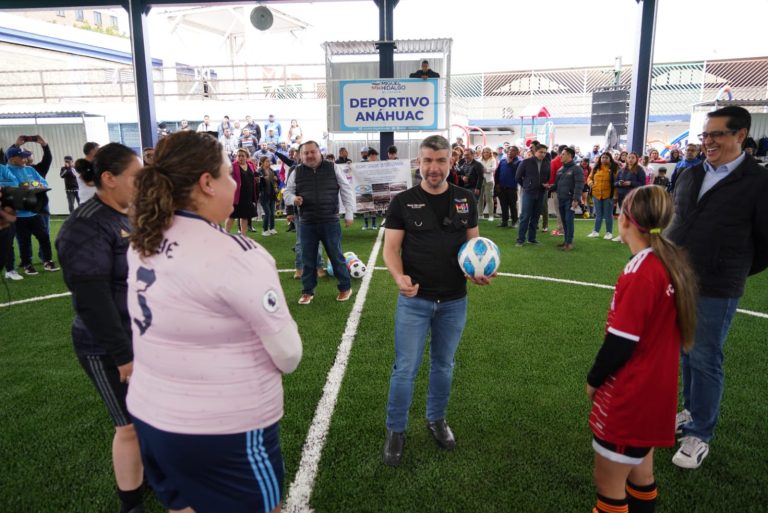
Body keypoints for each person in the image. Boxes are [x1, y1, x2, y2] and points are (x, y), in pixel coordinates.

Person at [126, 130, 302, 513]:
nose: (234, 181)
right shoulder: (237, 254)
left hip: (149, 414)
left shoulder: (143, 239)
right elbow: (289, 355)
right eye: (227, 174)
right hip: (224, 429)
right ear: (206, 183)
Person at [381, 134, 492, 467]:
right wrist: (399, 277)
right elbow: (391, 249)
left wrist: (477, 271)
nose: (434, 167)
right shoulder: (402, 201)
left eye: (441, 160)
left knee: (444, 365)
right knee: (406, 369)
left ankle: (436, 419)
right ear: (419, 163)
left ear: (450, 162)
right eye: (428, 160)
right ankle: (395, 431)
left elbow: (474, 247)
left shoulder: (465, 200)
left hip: (454, 300)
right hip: (415, 301)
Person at [667, 106, 768, 469]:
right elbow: (678, 221)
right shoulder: (690, 174)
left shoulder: (758, 182)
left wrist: (731, 268)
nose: (707, 141)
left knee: (706, 356)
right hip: (679, 278)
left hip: (718, 285)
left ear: (740, 135)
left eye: (717, 135)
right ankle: (690, 411)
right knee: (686, 351)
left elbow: (764, 243)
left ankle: (700, 433)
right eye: (705, 135)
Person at [587, 185, 697, 513]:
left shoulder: (641, 272)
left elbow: (621, 342)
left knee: (609, 487)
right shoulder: (670, 261)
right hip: (656, 393)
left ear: (624, 219)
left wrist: (594, 380)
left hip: (630, 395)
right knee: (640, 475)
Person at [54, 143, 146, 513]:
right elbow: (91, 299)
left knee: (146, 418)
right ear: (108, 179)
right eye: (135, 178)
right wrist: (122, 355)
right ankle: (131, 504)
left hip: (136, 336)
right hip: (105, 344)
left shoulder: (123, 215)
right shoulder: (85, 225)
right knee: (127, 426)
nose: (142, 185)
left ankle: (147, 478)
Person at [283, 141, 355, 305]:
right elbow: (287, 192)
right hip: (307, 222)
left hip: (330, 221)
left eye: (312, 152)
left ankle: (345, 287)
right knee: (308, 259)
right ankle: (308, 291)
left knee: (336, 257)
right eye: (305, 153)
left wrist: (349, 213)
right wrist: (293, 199)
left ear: (319, 152)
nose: (309, 155)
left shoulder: (333, 167)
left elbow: (346, 189)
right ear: (301, 155)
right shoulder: (296, 171)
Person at [0, 146, 59, 275]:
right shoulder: (6, 170)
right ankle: (27, 264)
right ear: (12, 158)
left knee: (44, 237)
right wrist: (23, 186)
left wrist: (31, 185)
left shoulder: (30, 169)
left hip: (34, 212)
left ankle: (48, 261)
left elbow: (43, 183)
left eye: (26, 156)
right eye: (22, 156)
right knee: (24, 241)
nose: (25, 159)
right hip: (18, 215)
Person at [515, 143, 551, 246]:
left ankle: (532, 238)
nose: (543, 154)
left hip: (541, 192)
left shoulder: (547, 163)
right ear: (535, 151)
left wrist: (545, 184)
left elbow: (547, 177)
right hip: (528, 193)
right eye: (541, 152)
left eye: (545, 152)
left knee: (535, 216)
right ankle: (520, 240)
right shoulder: (526, 162)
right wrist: (526, 186)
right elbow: (517, 177)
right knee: (525, 216)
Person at [552, 147, 583, 251]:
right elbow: (556, 184)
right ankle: (566, 241)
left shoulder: (576, 168)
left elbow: (579, 184)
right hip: (561, 198)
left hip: (570, 200)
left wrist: (576, 199)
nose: (561, 156)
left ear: (570, 155)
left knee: (569, 221)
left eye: (563, 154)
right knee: (564, 221)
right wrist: (548, 187)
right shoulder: (560, 169)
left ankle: (569, 243)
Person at [225, 149, 259, 236]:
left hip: (248, 196)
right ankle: (225, 234)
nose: (240, 157)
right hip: (236, 196)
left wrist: (256, 179)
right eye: (238, 155)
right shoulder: (233, 166)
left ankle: (243, 237)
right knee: (232, 216)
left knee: (245, 217)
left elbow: (253, 176)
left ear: (247, 157)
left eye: (242, 156)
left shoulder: (251, 165)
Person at [587, 153, 619, 240]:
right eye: (602, 157)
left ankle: (609, 233)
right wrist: (590, 183)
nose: (604, 159)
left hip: (609, 195)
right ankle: (595, 231)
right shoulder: (596, 168)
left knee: (608, 215)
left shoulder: (614, 168)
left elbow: (616, 182)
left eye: (606, 158)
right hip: (596, 194)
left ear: (610, 159)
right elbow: (589, 178)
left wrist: (615, 195)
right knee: (598, 214)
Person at [494, 146, 521, 227]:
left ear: (517, 153)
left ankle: (514, 221)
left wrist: (510, 163)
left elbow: (518, 174)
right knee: (503, 205)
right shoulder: (502, 161)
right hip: (501, 187)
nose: (510, 152)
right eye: (509, 150)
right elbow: (497, 174)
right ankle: (504, 221)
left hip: (512, 188)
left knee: (513, 205)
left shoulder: (519, 162)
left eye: (512, 151)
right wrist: (497, 184)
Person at [258, 156, 279, 237]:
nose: (269, 163)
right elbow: (258, 182)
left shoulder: (272, 170)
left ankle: (272, 228)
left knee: (272, 213)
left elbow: (277, 180)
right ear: (262, 162)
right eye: (267, 161)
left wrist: (276, 178)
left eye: (269, 161)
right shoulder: (260, 171)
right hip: (264, 195)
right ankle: (265, 230)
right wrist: (263, 178)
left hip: (272, 194)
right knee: (268, 212)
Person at [478, 146, 497, 221]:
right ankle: (480, 215)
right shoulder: (479, 160)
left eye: (487, 152)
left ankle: (491, 215)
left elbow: (493, 168)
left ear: (490, 153)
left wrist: (486, 170)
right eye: (484, 152)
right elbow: (477, 169)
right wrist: (483, 170)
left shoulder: (493, 159)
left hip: (489, 181)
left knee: (489, 198)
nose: (485, 153)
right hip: (480, 180)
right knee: (480, 198)